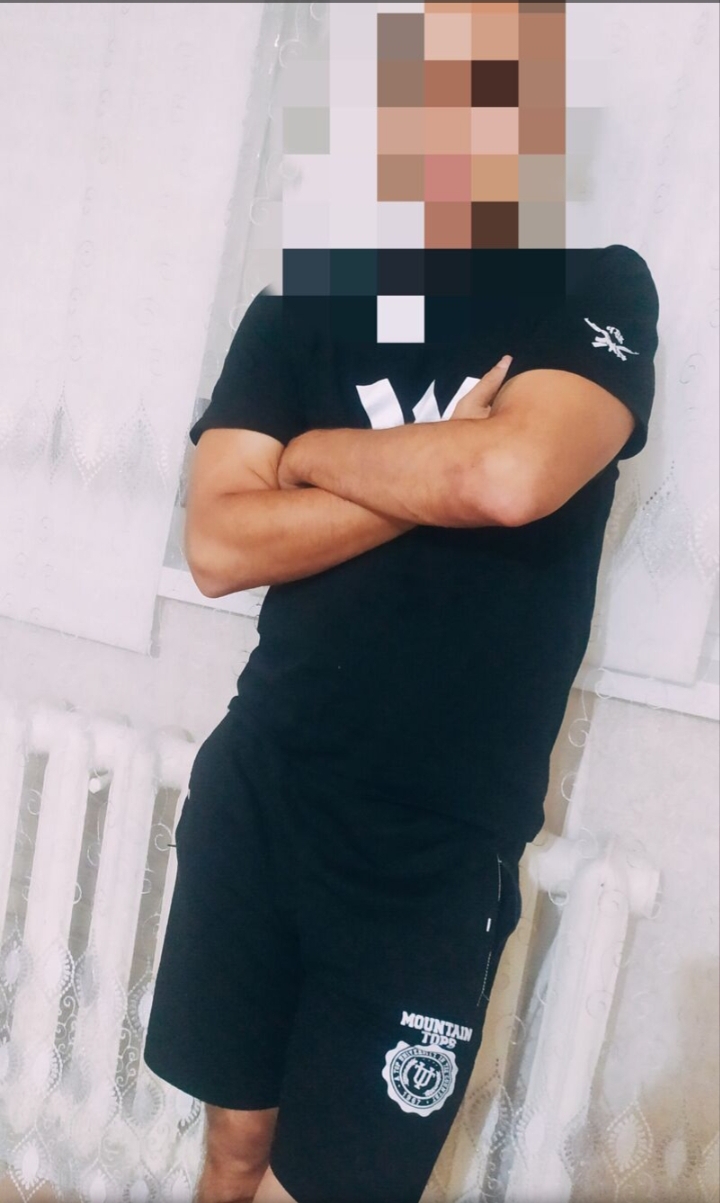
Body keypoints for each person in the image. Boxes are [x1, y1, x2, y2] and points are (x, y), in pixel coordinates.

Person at [143, 244, 659, 1203]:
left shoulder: (589, 287)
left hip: (434, 855)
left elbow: (508, 478)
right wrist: (436, 464)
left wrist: (310, 456)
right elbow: (218, 543)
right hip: (260, 797)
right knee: (234, 1148)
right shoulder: (301, 307)